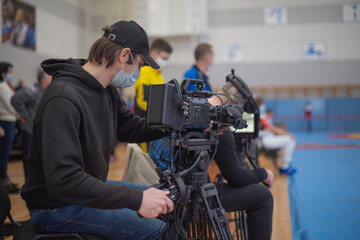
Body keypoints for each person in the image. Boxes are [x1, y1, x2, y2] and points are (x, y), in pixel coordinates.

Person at [20, 20, 174, 239]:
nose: (138, 71)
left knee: (165, 203)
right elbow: (64, 180)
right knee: (160, 232)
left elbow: (129, 128)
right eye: (139, 65)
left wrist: (172, 124)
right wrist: (136, 199)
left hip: (81, 193)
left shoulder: (105, 90)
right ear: (124, 55)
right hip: (55, 207)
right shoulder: (63, 97)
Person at [148, 86, 274, 240]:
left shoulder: (179, 113)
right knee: (263, 196)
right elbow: (237, 178)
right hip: (195, 194)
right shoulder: (218, 128)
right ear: (234, 108)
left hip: (167, 188)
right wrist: (263, 173)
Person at [134, 38, 173, 152]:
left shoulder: (159, 75)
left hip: (157, 123)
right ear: (153, 54)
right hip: (144, 122)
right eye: (164, 58)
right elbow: (141, 100)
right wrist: (163, 111)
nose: (167, 61)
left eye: (168, 58)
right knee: (145, 160)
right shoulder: (144, 72)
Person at [11, 70, 51, 179]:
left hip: (37, 132)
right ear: (43, 81)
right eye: (49, 78)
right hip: (29, 131)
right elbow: (15, 99)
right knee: (29, 161)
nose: (51, 80)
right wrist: (25, 116)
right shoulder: (33, 91)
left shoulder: (44, 92)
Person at [259, 108, 297, 175]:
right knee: (291, 140)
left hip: (268, 138)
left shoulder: (266, 118)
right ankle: (285, 167)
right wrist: (288, 134)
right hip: (265, 140)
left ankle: (284, 164)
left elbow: (272, 129)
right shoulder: (262, 117)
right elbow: (273, 129)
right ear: (269, 113)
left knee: (288, 139)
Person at [0, 62, 19, 193]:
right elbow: (12, 106)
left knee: (5, 153)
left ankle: (5, 180)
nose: (11, 75)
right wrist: (20, 110)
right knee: (4, 153)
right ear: (3, 73)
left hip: (9, 121)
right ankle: (4, 181)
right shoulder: (2, 86)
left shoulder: (6, 85)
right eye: (9, 72)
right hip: (6, 121)